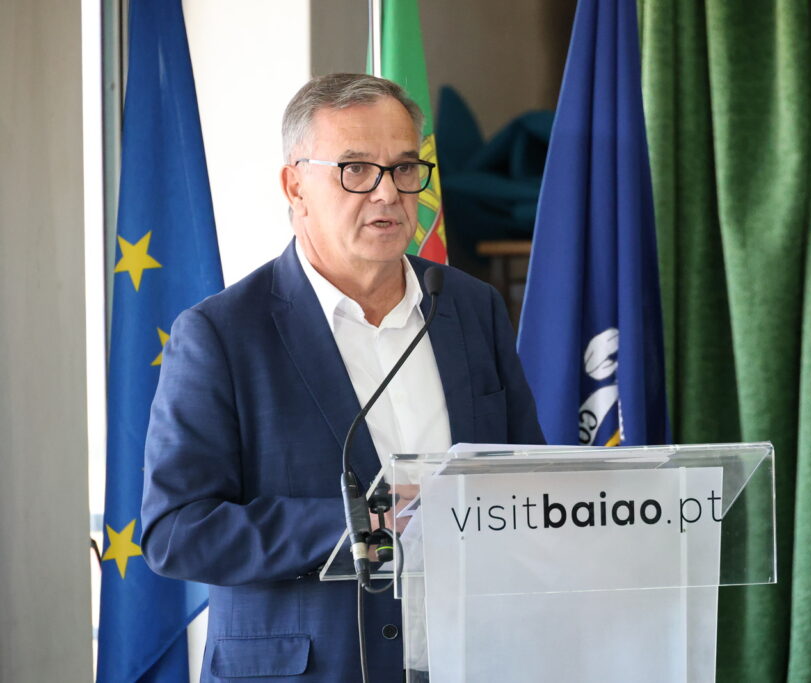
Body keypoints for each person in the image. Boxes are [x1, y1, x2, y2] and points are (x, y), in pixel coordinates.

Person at [141, 73, 545, 682]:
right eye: (356, 169)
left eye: (404, 168)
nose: (388, 193)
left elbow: (527, 479)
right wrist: (358, 523)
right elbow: (176, 532)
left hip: (471, 659)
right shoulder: (221, 335)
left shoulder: (470, 307)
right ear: (295, 186)